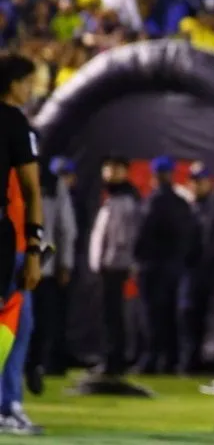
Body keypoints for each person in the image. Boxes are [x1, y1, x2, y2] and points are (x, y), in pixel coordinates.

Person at [0, 53, 42, 431]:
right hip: (9, 241)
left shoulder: (18, 127)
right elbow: (32, 194)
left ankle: (8, 403)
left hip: (12, 239)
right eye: (28, 81)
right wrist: (34, 250)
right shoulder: (18, 127)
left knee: (20, 326)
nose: (32, 89)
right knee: (16, 325)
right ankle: (7, 404)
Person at [134, 155, 198, 375]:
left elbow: (143, 234)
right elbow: (190, 237)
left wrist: (139, 259)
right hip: (175, 266)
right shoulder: (181, 203)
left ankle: (152, 359)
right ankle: (170, 359)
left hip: (154, 266)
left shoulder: (153, 201)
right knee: (170, 314)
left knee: (152, 315)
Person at [87, 156, 140, 379]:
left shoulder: (125, 199)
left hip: (114, 266)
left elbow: (123, 238)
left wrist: (115, 262)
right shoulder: (115, 197)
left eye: (114, 169)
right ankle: (110, 358)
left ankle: (114, 360)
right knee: (109, 314)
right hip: (108, 265)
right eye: (106, 168)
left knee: (113, 315)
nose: (108, 173)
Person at [27, 156, 76, 387]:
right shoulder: (50, 182)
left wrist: (63, 263)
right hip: (30, 265)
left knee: (32, 322)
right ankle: (31, 365)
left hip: (33, 266)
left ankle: (32, 364)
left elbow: (65, 229)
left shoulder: (52, 184)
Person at [182, 162, 214, 375]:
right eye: (193, 181)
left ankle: (207, 360)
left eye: (200, 181)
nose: (196, 185)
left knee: (211, 315)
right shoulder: (187, 207)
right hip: (190, 268)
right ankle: (190, 360)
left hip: (212, 269)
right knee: (188, 313)